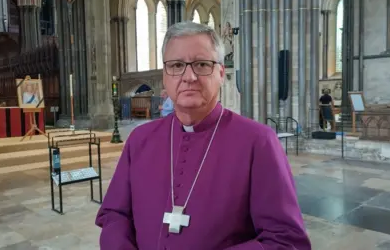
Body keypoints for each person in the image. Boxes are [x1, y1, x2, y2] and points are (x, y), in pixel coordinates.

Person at [95, 21, 311, 250]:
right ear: (165, 77)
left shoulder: (258, 142)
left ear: (220, 73)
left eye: (201, 64)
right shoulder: (140, 139)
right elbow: (114, 215)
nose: (189, 76)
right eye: (177, 65)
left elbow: (286, 241)